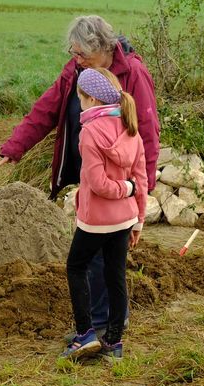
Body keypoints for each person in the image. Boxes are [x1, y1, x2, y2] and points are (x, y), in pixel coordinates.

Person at [0, 15, 160, 334]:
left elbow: (148, 132)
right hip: (88, 178)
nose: (76, 60)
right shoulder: (76, 70)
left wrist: (143, 188)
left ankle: (100, 326)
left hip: (112, 186)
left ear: (102, 48)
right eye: (73, 53)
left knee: (96, 258)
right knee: (103, 258)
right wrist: (15, 146)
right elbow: (46, 108)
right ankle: (112, 323)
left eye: (82, 54)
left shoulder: (133, 74)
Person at [61, 68, 147, 362]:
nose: (79, 103)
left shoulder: (89, 132)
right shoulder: (129, 126)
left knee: (76, 267)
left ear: (92, 98)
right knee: (116, 275)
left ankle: (85, 334)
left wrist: (123, 188)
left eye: (80, 98)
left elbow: (98, 185)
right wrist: (140, 218)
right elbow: (142, 178)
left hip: (96, 219)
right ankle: (113, 341)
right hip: (124, 218)